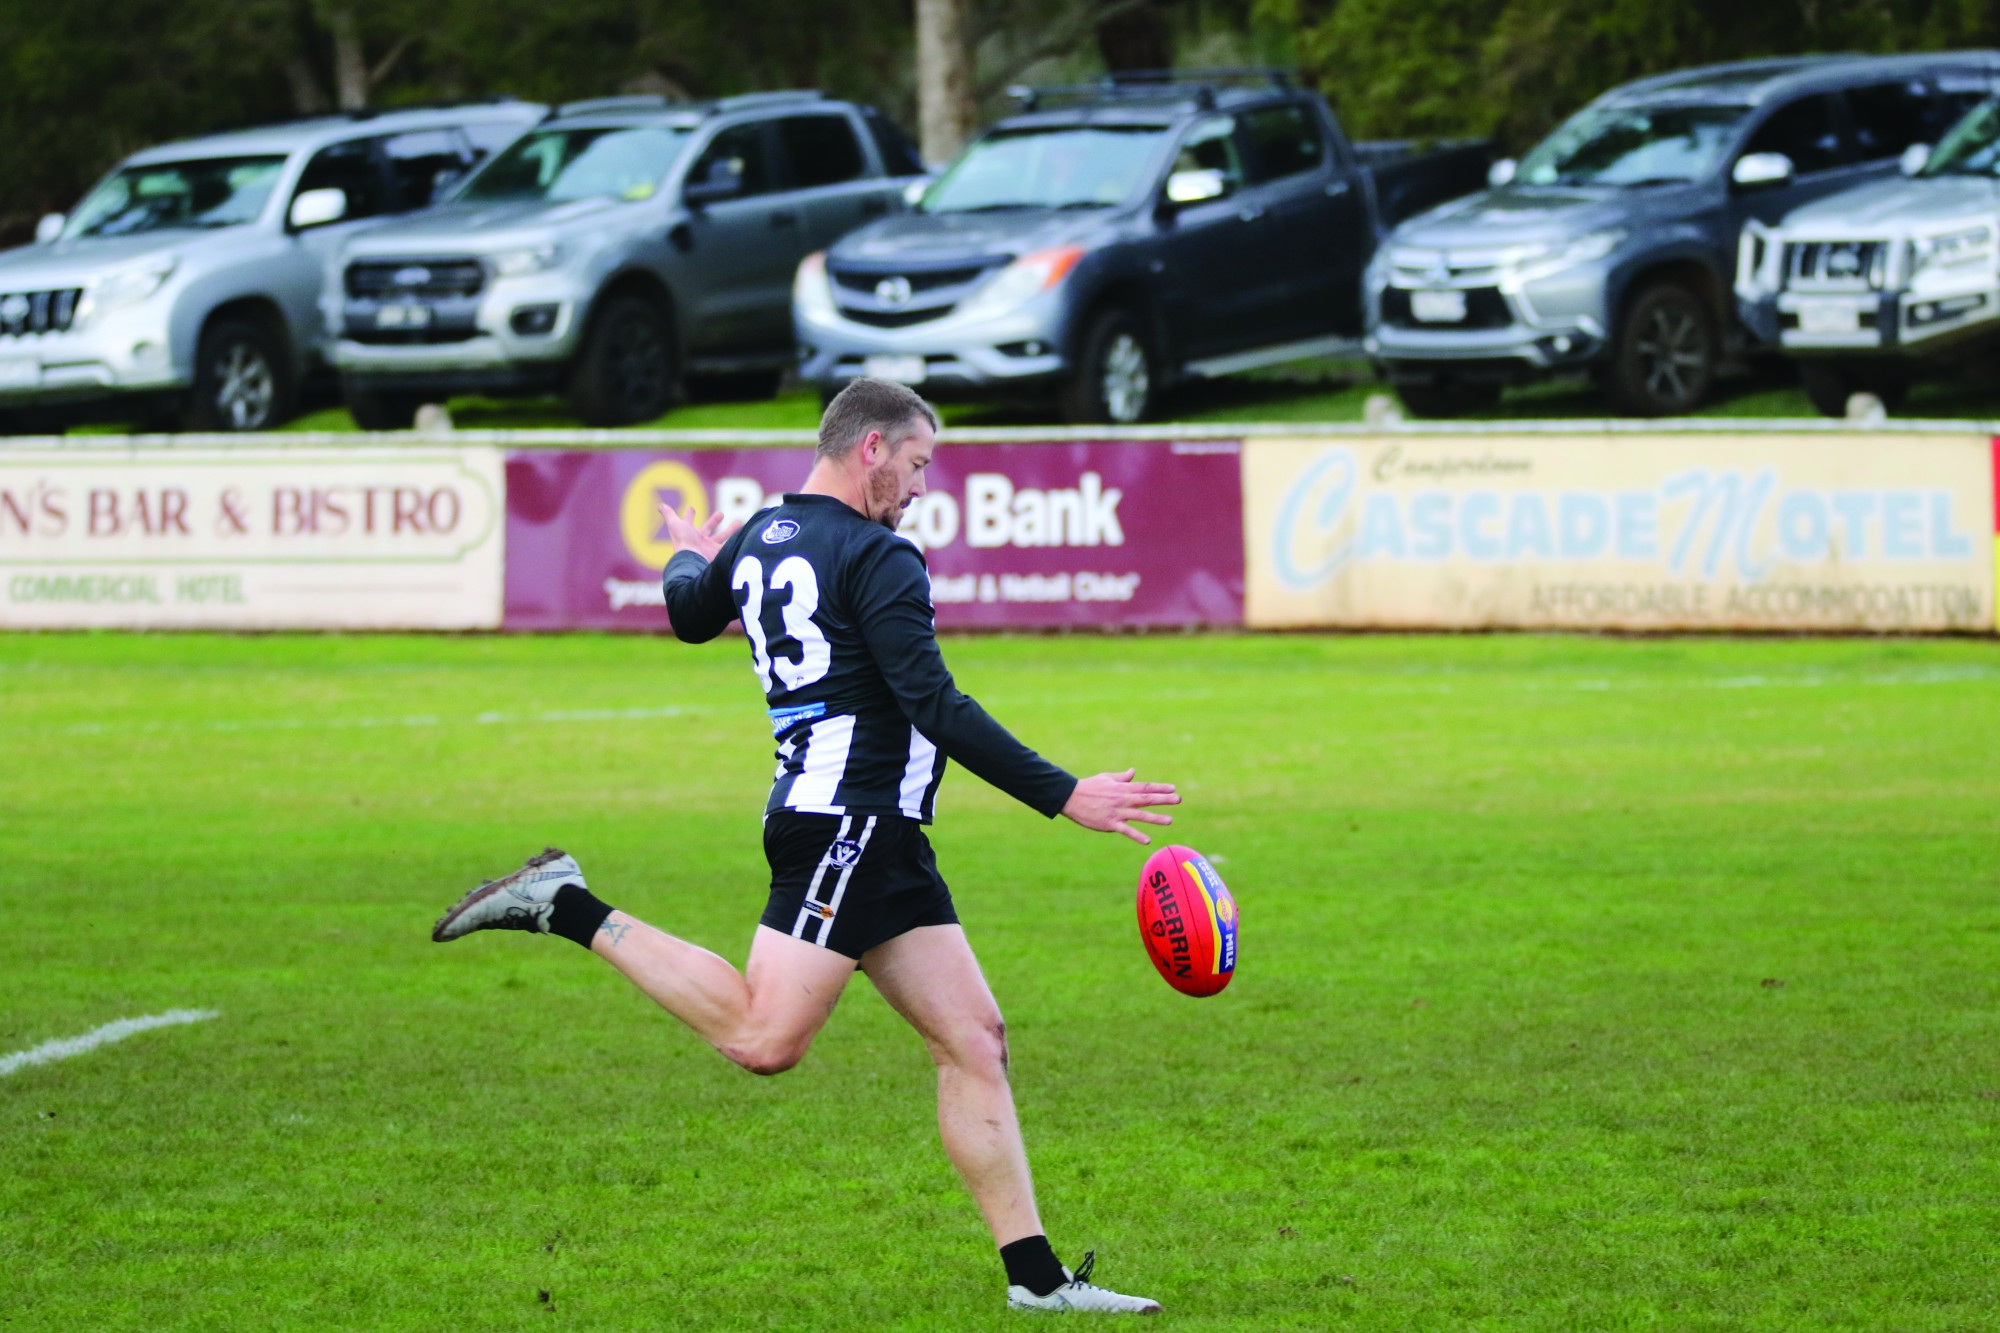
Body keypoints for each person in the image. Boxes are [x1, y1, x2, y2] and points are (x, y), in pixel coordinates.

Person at [433, 378, 1179, 1315]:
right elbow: (934, 704)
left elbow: (689, 611)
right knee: (763, 1038)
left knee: (974, 1038)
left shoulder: (755, 537)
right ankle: (565, 901)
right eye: (914, 466)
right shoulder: (881, 556)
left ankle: (1035, 1280)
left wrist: (684, 556)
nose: (917, 489)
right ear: (870, 448)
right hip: (848, 825)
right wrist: (1065, 793)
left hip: (876, 833)